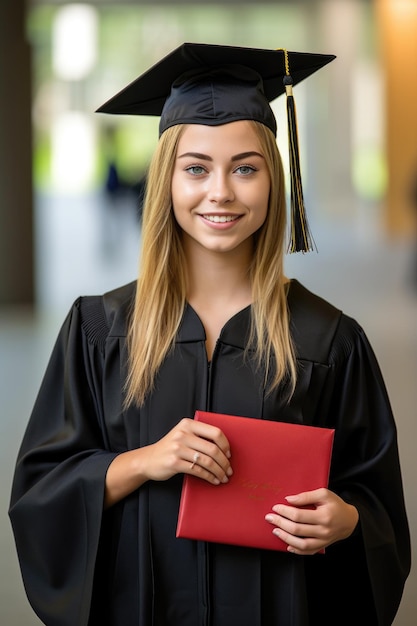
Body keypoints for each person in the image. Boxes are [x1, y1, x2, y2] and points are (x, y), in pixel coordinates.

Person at [9, 43, 410, 626]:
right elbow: (41, 495)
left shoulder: (330, 341)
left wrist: (347, 519)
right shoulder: (100, 330)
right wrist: (144, 461)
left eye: (245, 167)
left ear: (274, 178)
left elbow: (377, 503)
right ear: (166, 180)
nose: (220, 191)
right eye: (196, 168)